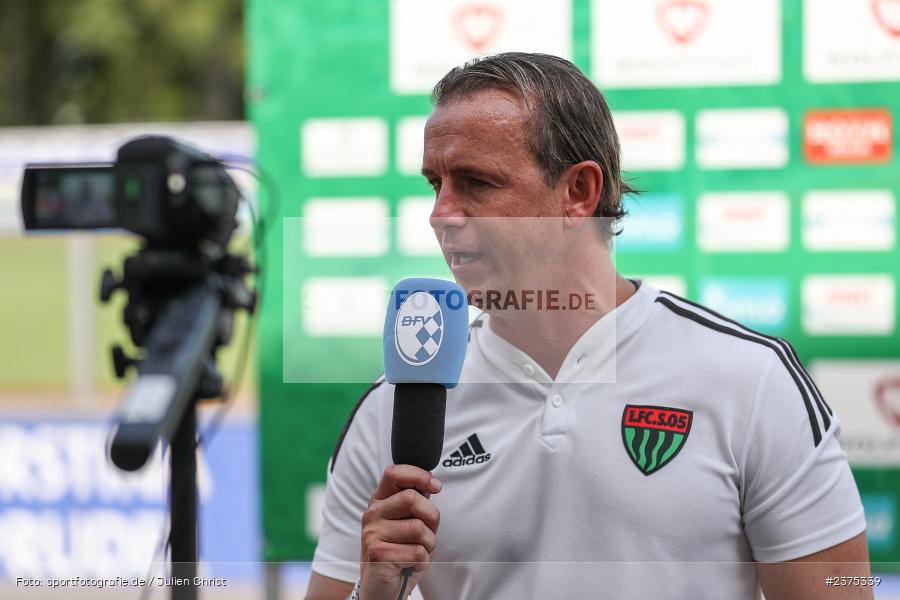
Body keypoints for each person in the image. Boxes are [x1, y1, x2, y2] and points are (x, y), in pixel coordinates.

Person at [305, 53, 871, 600]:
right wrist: (374, 594)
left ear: (579, 193)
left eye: (476, 183)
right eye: (436, 184)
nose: (442, 214)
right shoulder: (390, 411)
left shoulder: (751, 380)